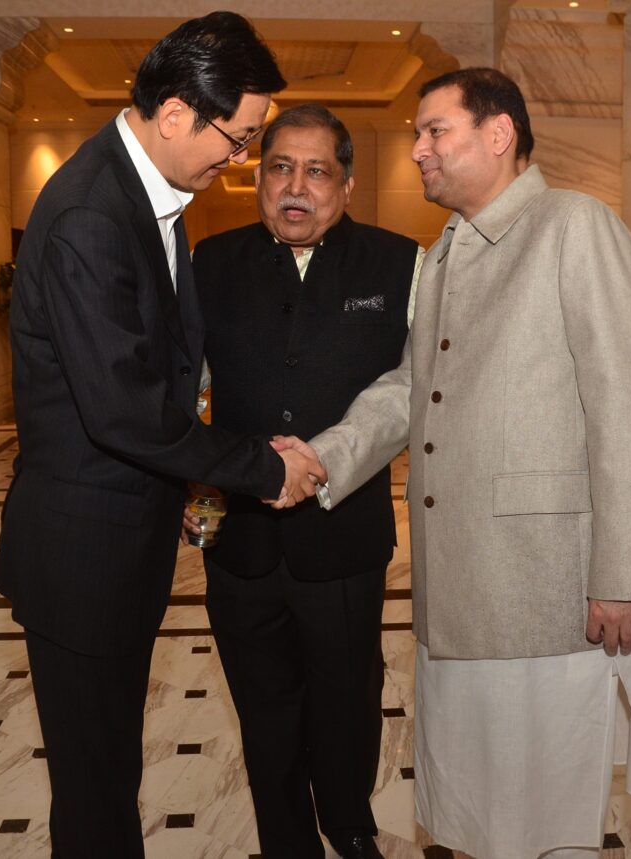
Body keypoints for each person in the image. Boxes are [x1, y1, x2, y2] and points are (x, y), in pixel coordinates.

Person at [287, 68, 631, 859]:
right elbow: (412, 389)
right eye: (416, 136)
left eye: (435, 131)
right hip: (465, 590)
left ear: (498, 134)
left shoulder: (576, 227)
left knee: (548, 808)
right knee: (483, 807)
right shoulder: (447, 253)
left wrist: (622, 573)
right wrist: (323, 459)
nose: (418, 152)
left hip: (554, 589)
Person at [0, 14, 325, 859]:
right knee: (97, 786)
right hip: (82, 558)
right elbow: (125, 409)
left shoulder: (149, 199)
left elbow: (169, 371)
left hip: (117, 545)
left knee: (108, 771)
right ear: (177, 113)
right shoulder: (92, 215)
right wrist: (257, 467)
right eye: (240, 138)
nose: (238, 158)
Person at [186, 104, 422, 859]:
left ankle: (350, 825)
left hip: (343, 537)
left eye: (316, 170)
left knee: (348, 698)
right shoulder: (209, 262)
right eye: (279, 167)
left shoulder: (400, 263)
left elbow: (412, 389)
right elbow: (189, 393)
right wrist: (197, 496)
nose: (296, 186)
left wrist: (325, 458)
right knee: (264, 709)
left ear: (346, 184)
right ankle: (288, 841)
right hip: (241, 542)